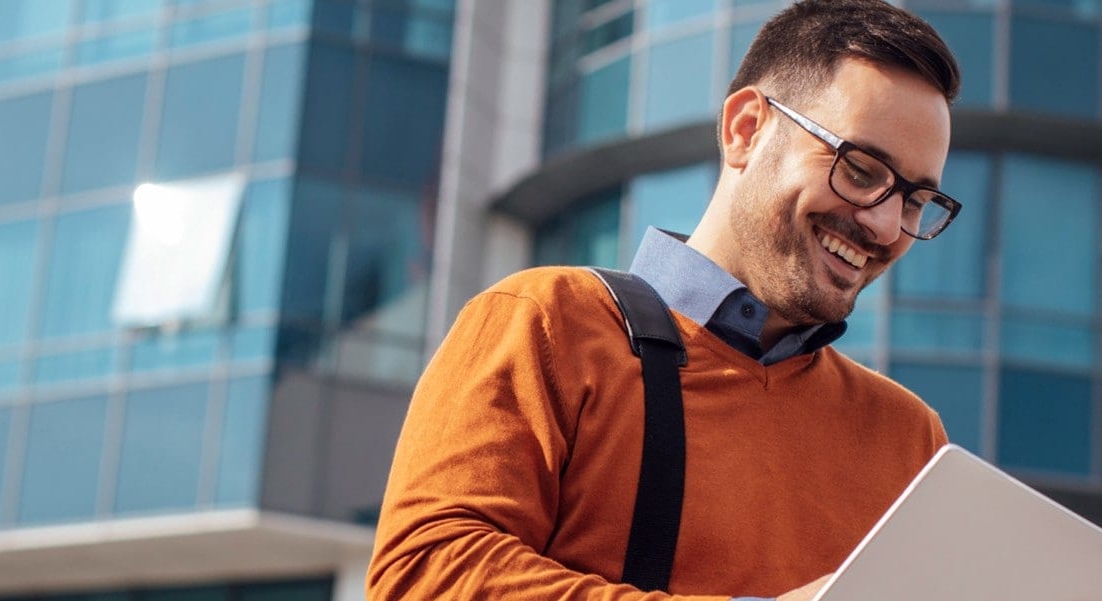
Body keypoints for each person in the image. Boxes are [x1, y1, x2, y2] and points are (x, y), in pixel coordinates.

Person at [367, 0, 961, 598]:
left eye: (914, 202)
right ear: (746, 130)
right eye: (860, 170)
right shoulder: (547, 322)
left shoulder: (910, 439)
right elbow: (421, 578)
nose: (886, 226)